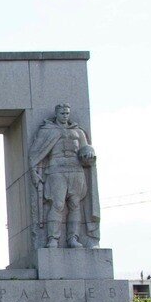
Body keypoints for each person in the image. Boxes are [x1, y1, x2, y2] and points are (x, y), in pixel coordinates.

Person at [28, 103, 99, 248]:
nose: (65, 116)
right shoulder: (47, 131)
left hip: (75, 170)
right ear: (56, 114)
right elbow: (35, 154)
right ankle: (53, 239)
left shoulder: (78, 132)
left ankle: (73, 238)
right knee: (58, 204)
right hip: (56, 170)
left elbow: (85, 149)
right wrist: (34, 172)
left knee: (75, 204)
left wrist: (89, 153)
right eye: (62, 113)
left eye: (67, 113)